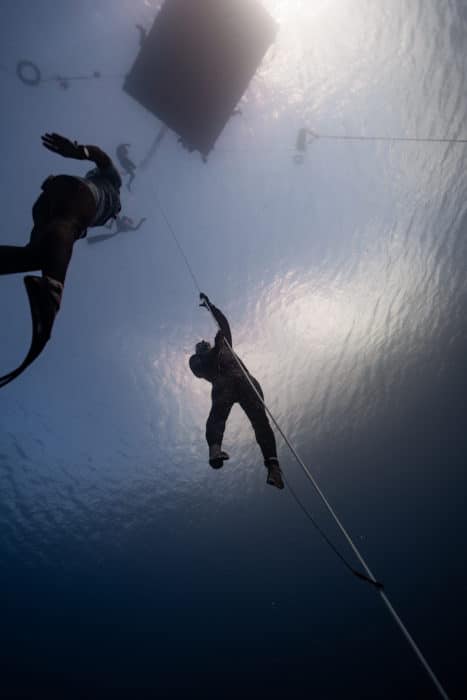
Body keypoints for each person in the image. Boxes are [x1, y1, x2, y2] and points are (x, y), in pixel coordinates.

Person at [0, 132, 122, 387]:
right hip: (78, 194)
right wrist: (81, 151)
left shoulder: (95, 199)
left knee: (35, 256)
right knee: (70, 224)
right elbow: (103, 157)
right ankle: (52, 291)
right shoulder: (112, 186)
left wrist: (77, 153)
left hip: (49, 199)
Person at [189, 293, 284, 490]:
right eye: (201, 346)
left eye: (204, 343)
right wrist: (215, 348)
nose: (203, 345)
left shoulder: (224, 344)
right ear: (198, 350)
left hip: (246, 381)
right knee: (217, 416)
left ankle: (273, 465)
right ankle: (215, 450)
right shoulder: (198, 360)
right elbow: (200, 367)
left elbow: (223, 323)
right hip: (223, 382)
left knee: (261, 421)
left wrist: (210, 307)